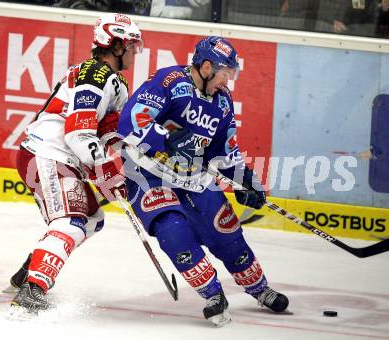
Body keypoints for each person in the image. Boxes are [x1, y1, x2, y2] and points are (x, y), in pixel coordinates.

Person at [117, 36, 289, 327]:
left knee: (227, 234)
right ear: (207, 66)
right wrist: (166, 138)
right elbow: (130, 120)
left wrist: (244, 178)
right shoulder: (170, 80)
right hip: (147, 175)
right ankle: (212, 294)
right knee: (174, 232)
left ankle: (259, 288)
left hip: (193, 178)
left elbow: (223, 150)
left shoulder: (222, 102)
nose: (227, 81)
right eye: (225, 73)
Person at [7, 13, 143, 316]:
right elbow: (78, 132)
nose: (136, 51)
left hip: (58, 156)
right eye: (132, 45)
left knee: (92, 219)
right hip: (48, 153)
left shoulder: (113, 80)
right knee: (70, 221)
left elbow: (106, 131)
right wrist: (105, 170)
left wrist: (116, 164)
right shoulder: (96, 76)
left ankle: (31, 270)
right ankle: (33, 290)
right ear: (117, 46)